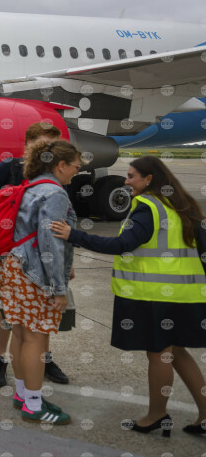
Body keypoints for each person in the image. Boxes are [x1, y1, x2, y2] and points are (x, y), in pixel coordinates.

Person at [51, 156, 206, 437]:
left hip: (156, 294)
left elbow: (122, 244)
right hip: (187, 293)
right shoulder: (179, 205)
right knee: (177, 352)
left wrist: (74, 235)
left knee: (160, 354)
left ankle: (157, 414)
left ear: (149, 179)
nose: (126, 181)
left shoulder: (147, 207)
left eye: (132, 175)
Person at [0, 122, 70, 387]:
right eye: (44, 144)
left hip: (41, 255)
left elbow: (58, 224)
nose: (48, 150)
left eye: (53, 145)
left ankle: (42, 359)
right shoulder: (12, 166)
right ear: (28, 144)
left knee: (41, 312)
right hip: (10, 251)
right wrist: (10, 202)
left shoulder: (55, 176)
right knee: (6, 307)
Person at [0, 139, 79, 425]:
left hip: (10, 266)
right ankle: (33, 404)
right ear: (61, 165)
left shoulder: (30, 185)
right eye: (75, 167)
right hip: (31, 272)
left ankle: (22, 394)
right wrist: (58, 287)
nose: (76, 172)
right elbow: (49, 241)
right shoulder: (54, 193)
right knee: (37, 338)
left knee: (19, 333)